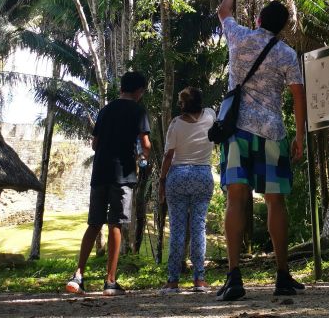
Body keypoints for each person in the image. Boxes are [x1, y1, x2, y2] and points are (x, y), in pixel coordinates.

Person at [215, 0, 307, 301]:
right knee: (275, 201)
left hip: (237, 130)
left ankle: (234, 277)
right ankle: (282, 275)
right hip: (271, 132)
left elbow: (223, 12)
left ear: (257, 21)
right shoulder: (286, 53)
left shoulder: (238, 37)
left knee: (236, 200)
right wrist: (299, 134)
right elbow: (298, 95)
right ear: (282, 28)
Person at [65, 71, 151, 296]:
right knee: (116, 224)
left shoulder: (105, 110)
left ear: (122, 87)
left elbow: (95, 144)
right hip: (122, 174)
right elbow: (146, 144)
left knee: (94, 223)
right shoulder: (138, 110)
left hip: (100, 172)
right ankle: (110, 281)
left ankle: (78, 276)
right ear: (139, 91)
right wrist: (142, 160)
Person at [158, 86, 216, 294]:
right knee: (199, 228)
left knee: (177, 229)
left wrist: (162, 180)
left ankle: (173, 281)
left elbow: (168, 156)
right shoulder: (210, 115)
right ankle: (199, 279)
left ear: (184, 105)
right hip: (202, 175)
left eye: (181, 102)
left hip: (178, 176)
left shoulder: (176, 124)